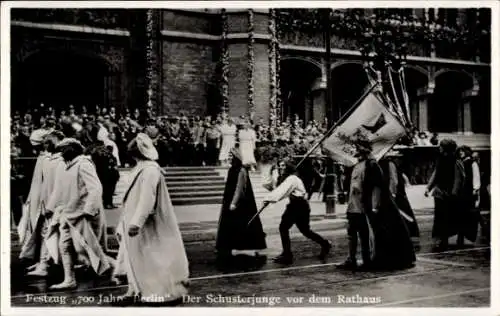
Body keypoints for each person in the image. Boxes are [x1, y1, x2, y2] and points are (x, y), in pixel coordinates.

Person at [113, 133, 189, 305]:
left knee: (152, 256)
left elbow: (147, 198)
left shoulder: (150, 170)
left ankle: (160, 293)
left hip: (147, 223)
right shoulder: (139, 169)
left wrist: (136, 222)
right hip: (131, 220)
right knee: (132, 257)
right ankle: (133, 290)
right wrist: (123, 223)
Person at [337, 138, 416, 271]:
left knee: (364, 234)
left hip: (364, 205)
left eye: (357, 148)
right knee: (352, 232)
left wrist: (374, 206)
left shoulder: (371, 165)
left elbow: (377, 187)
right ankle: (351, 259)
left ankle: (367, 260)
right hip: (354, 204)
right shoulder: (356, 165)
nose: (354, 151)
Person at [45, 138, 111, 289]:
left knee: (87, 250)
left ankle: (117, 271)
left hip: (83, 215)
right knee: (65, 246)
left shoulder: (84, 164)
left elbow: (95, 189)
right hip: (67, 213)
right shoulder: (62, 166)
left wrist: (89, 210)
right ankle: (69, 279)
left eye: (64, 149)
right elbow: (57, 190)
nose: (61, 152)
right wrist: (50, 207)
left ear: (73, 149)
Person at [263, 162, 331, 264]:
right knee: (302, 230)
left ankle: (287, 255)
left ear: (289, 168)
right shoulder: (286, 178)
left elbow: (281, 192)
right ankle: (324, 243)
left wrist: (269, 198)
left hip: (299, 206)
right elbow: (275, 189)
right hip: (295, 205)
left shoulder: (292, 179)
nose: (281, 167)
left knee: (288, 228)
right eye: (280, 165)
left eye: (283, 166)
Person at [216, 147, 267, 269]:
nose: (229, 158)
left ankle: (243, 248)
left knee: (240, 225)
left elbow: (239, 189)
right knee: (230, 225)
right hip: (230, 201)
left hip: (239, 205)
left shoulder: (241, 170)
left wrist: (233, 203)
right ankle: (227, 246)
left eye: (231, 156)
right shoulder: (232, 170)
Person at [25, 131, 66, 277]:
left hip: (55, 204)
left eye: (49, 142)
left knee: (50, 233)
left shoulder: (60, 161)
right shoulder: (49, 159)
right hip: (47, 202)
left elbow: (58, 186)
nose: (46, 145)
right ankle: (45, 263)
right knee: (47, 233)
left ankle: (45, 265)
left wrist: (50, 205)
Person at [425, 139, 465, 250]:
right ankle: (442, 238)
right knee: (440, 217)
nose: (439, 148)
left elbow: (458, 178)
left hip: (450, 193)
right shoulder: (440, 159)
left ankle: (449, 237)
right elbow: (436, 174)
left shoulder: (456, 161)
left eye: (441, 146)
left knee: (449, 216)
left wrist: (454, 192)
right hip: (439, 192)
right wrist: (428, 188)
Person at [380, 151, 420, 243]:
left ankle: (407, 232)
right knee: (402, 212)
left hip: (396, 194)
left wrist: (392, 193)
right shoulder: (391, 164)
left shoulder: (390, 164)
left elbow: (394, 180)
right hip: (398, 193)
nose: (399, 160)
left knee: (401, 212)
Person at [456, 146, 481, 247]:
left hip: (468, 192)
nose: (460, 153)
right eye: (460, 151)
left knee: (469, 214)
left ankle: (465, 235)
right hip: (461, 192)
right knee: (461, 215)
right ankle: (460, 236)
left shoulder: (472, 163)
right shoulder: (459, 162)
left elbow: (476, 176)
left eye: (462, 151)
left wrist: (475, 189)